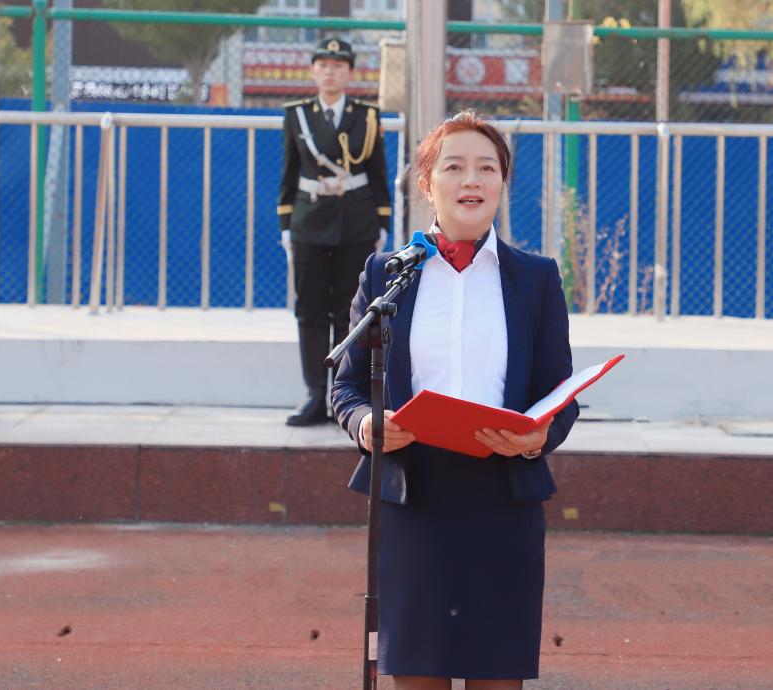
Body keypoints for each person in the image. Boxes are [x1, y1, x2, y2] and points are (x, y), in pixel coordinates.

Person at [332, 111, 579, 689]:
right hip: (412, 497)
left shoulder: (536, 278)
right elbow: (345, 386)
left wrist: (540, 434)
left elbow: (560, 393)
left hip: (504, 499)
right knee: (417, 675)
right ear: (427, 183)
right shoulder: (386, 275)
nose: (472, 179)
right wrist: (367, 423)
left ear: (501, 184)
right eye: (454, 167)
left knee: (497, 676)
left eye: (487, 168)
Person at [278, 37, 392, 426]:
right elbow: (289, 172)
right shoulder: (297, 115)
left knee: (351, 312)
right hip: (309, 221)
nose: (330, 72)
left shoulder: (367, 115)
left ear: (349, 72)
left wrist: (382, 221)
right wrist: (286, 224)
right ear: (313, 71)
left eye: (338, 66)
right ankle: (314, 395)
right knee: (310, 310)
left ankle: (345, 396)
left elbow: (377, 172)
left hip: (355, 222)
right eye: (323, 65)